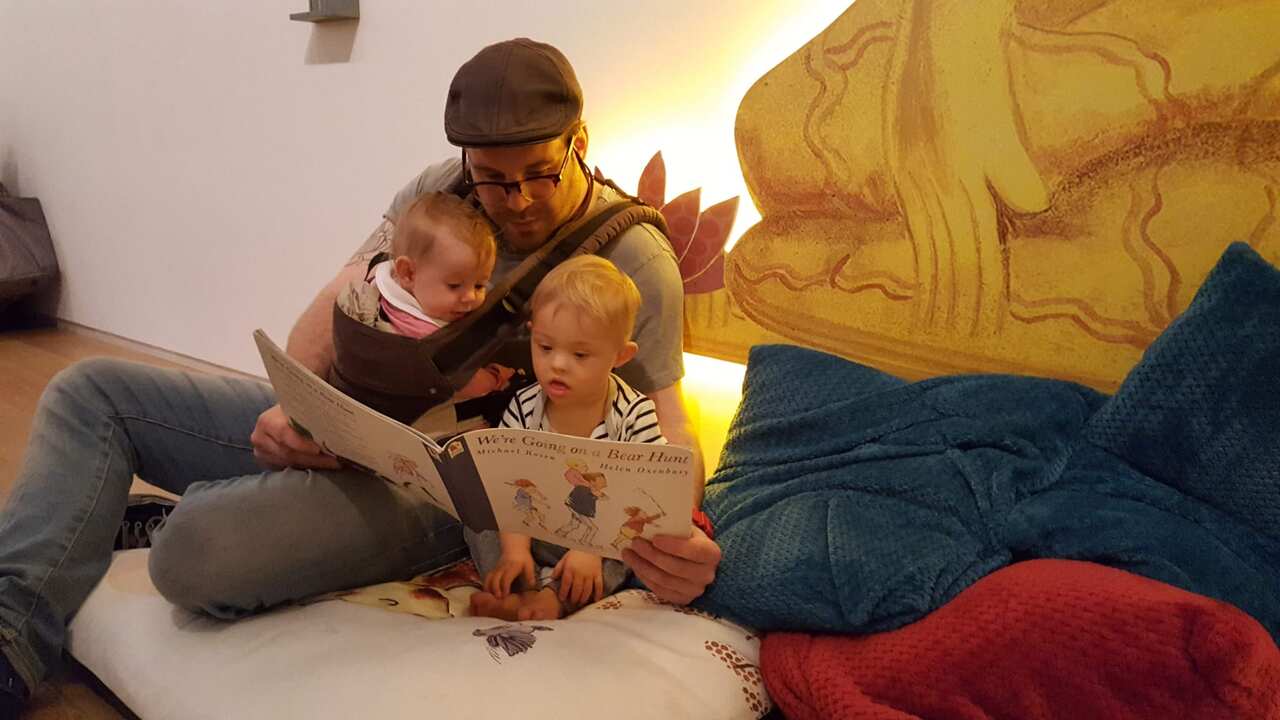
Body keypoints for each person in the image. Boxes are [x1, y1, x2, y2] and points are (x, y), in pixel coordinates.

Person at [0, 37, 720, 714]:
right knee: (91, 392)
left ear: (579, 144)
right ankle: (10, 640)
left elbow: (669, 423)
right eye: (494, 181)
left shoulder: (632, 258)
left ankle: (160, 516)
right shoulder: (441, 194)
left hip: (449, 496)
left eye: (540, 174)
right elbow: (347, 292)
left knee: (191, 551)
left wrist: (675, 531)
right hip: (362, 427)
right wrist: (295, 408)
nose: (518, 200)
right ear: (466, 162)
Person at [467, 256, 669, 621]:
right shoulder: (525, 404)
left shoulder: (632, 413)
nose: (557, 364)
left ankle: (555, 600)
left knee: (633, 552)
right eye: (545, 348)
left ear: (620, 356)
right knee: (478, 519)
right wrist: (514, 551)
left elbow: (647, 494)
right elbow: (505, 483)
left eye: (579, 354)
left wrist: (591, 547)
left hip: (598, 538)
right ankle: (515, 589)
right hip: (531, 527)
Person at [337, 190, 512, 400]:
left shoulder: (382, 281)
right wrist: (492, 379)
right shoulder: (420, 336)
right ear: (408, 273)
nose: (470, 297)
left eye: (480, 285)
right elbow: (460, 384)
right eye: (454, 286)